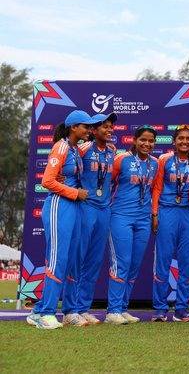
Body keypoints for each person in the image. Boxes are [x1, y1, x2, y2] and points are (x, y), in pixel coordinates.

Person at [27, 110, 98, 330]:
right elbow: (47, 181)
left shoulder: (75, 149)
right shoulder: (61, 146)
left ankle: (68, 312)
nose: (89, 130)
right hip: (59, 205)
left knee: (73, 260)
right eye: (85, 126)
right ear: (73, 127)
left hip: (74, 208)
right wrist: (75, 193)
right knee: (58, 259)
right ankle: (45, 313)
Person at [62, 112, 117, 326]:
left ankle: (83, 308)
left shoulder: (112, 151)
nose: (109, 129)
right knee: (78, 258)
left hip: (105, 209)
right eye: (104, 126)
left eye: (111, 126)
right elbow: (68, 172)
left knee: (94, 262)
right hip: (86, 207)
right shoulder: (82, 148)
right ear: (93, 130)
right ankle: (70, 309)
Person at [151, 125, 189, 322]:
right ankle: (159, 307)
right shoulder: (164, 160)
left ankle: (182, 307)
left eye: (188, 139)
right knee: (163, 261)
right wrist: (155, 214)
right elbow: (157, 188)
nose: (184, 142)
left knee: (186, 261)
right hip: (167, 211)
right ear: (174, 141)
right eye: (181, 138)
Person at [106, 125, 159, 324]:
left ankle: (123, 308)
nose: (147, 144)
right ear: (135, 140)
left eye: (151, 141)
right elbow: (104, 181)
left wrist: (154, 215)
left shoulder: (155, 163)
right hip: (120, 216)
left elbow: (155, 190)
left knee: (135, 265)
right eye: (143, 140)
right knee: (122, 262)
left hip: (143, 219)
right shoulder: (121, 159)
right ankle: (113, 311)